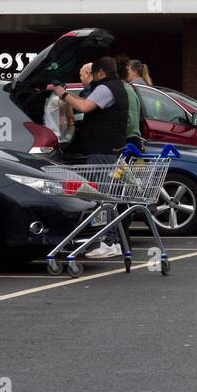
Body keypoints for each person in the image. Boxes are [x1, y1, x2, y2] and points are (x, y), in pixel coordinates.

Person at [47, 56, 131, 259]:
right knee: (110, 197)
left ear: (100, 72)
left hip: (103, 150)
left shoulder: (105, 88)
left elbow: (84, 106)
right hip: (112, 148)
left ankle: (108, 242)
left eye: (92, 73)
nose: (91, 77)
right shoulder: (118, 86)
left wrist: (62, 93)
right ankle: (117, 242)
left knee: (103, 198)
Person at [117, 56, 143, 145]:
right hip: (135, 137)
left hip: (129, 139)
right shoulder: (135, 87)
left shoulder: (128, 88)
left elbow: (130, 121)